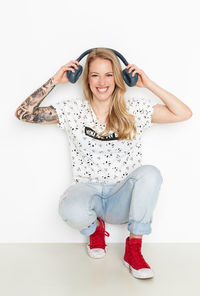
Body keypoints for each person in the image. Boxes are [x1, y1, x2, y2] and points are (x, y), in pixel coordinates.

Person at [15, 48, 192, 279]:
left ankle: (134, 249)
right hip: (87, 192)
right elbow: (23, 113)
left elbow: (183, 113)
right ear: (86, 79)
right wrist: (55, 80)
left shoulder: (135, 110)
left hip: (121, 198)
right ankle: (95, 229)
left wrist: (148, 84)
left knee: (151, 173)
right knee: (69, 207)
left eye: (109, 75)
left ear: (119, 79)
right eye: (95, 75)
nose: (102, 82)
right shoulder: (73, 110)